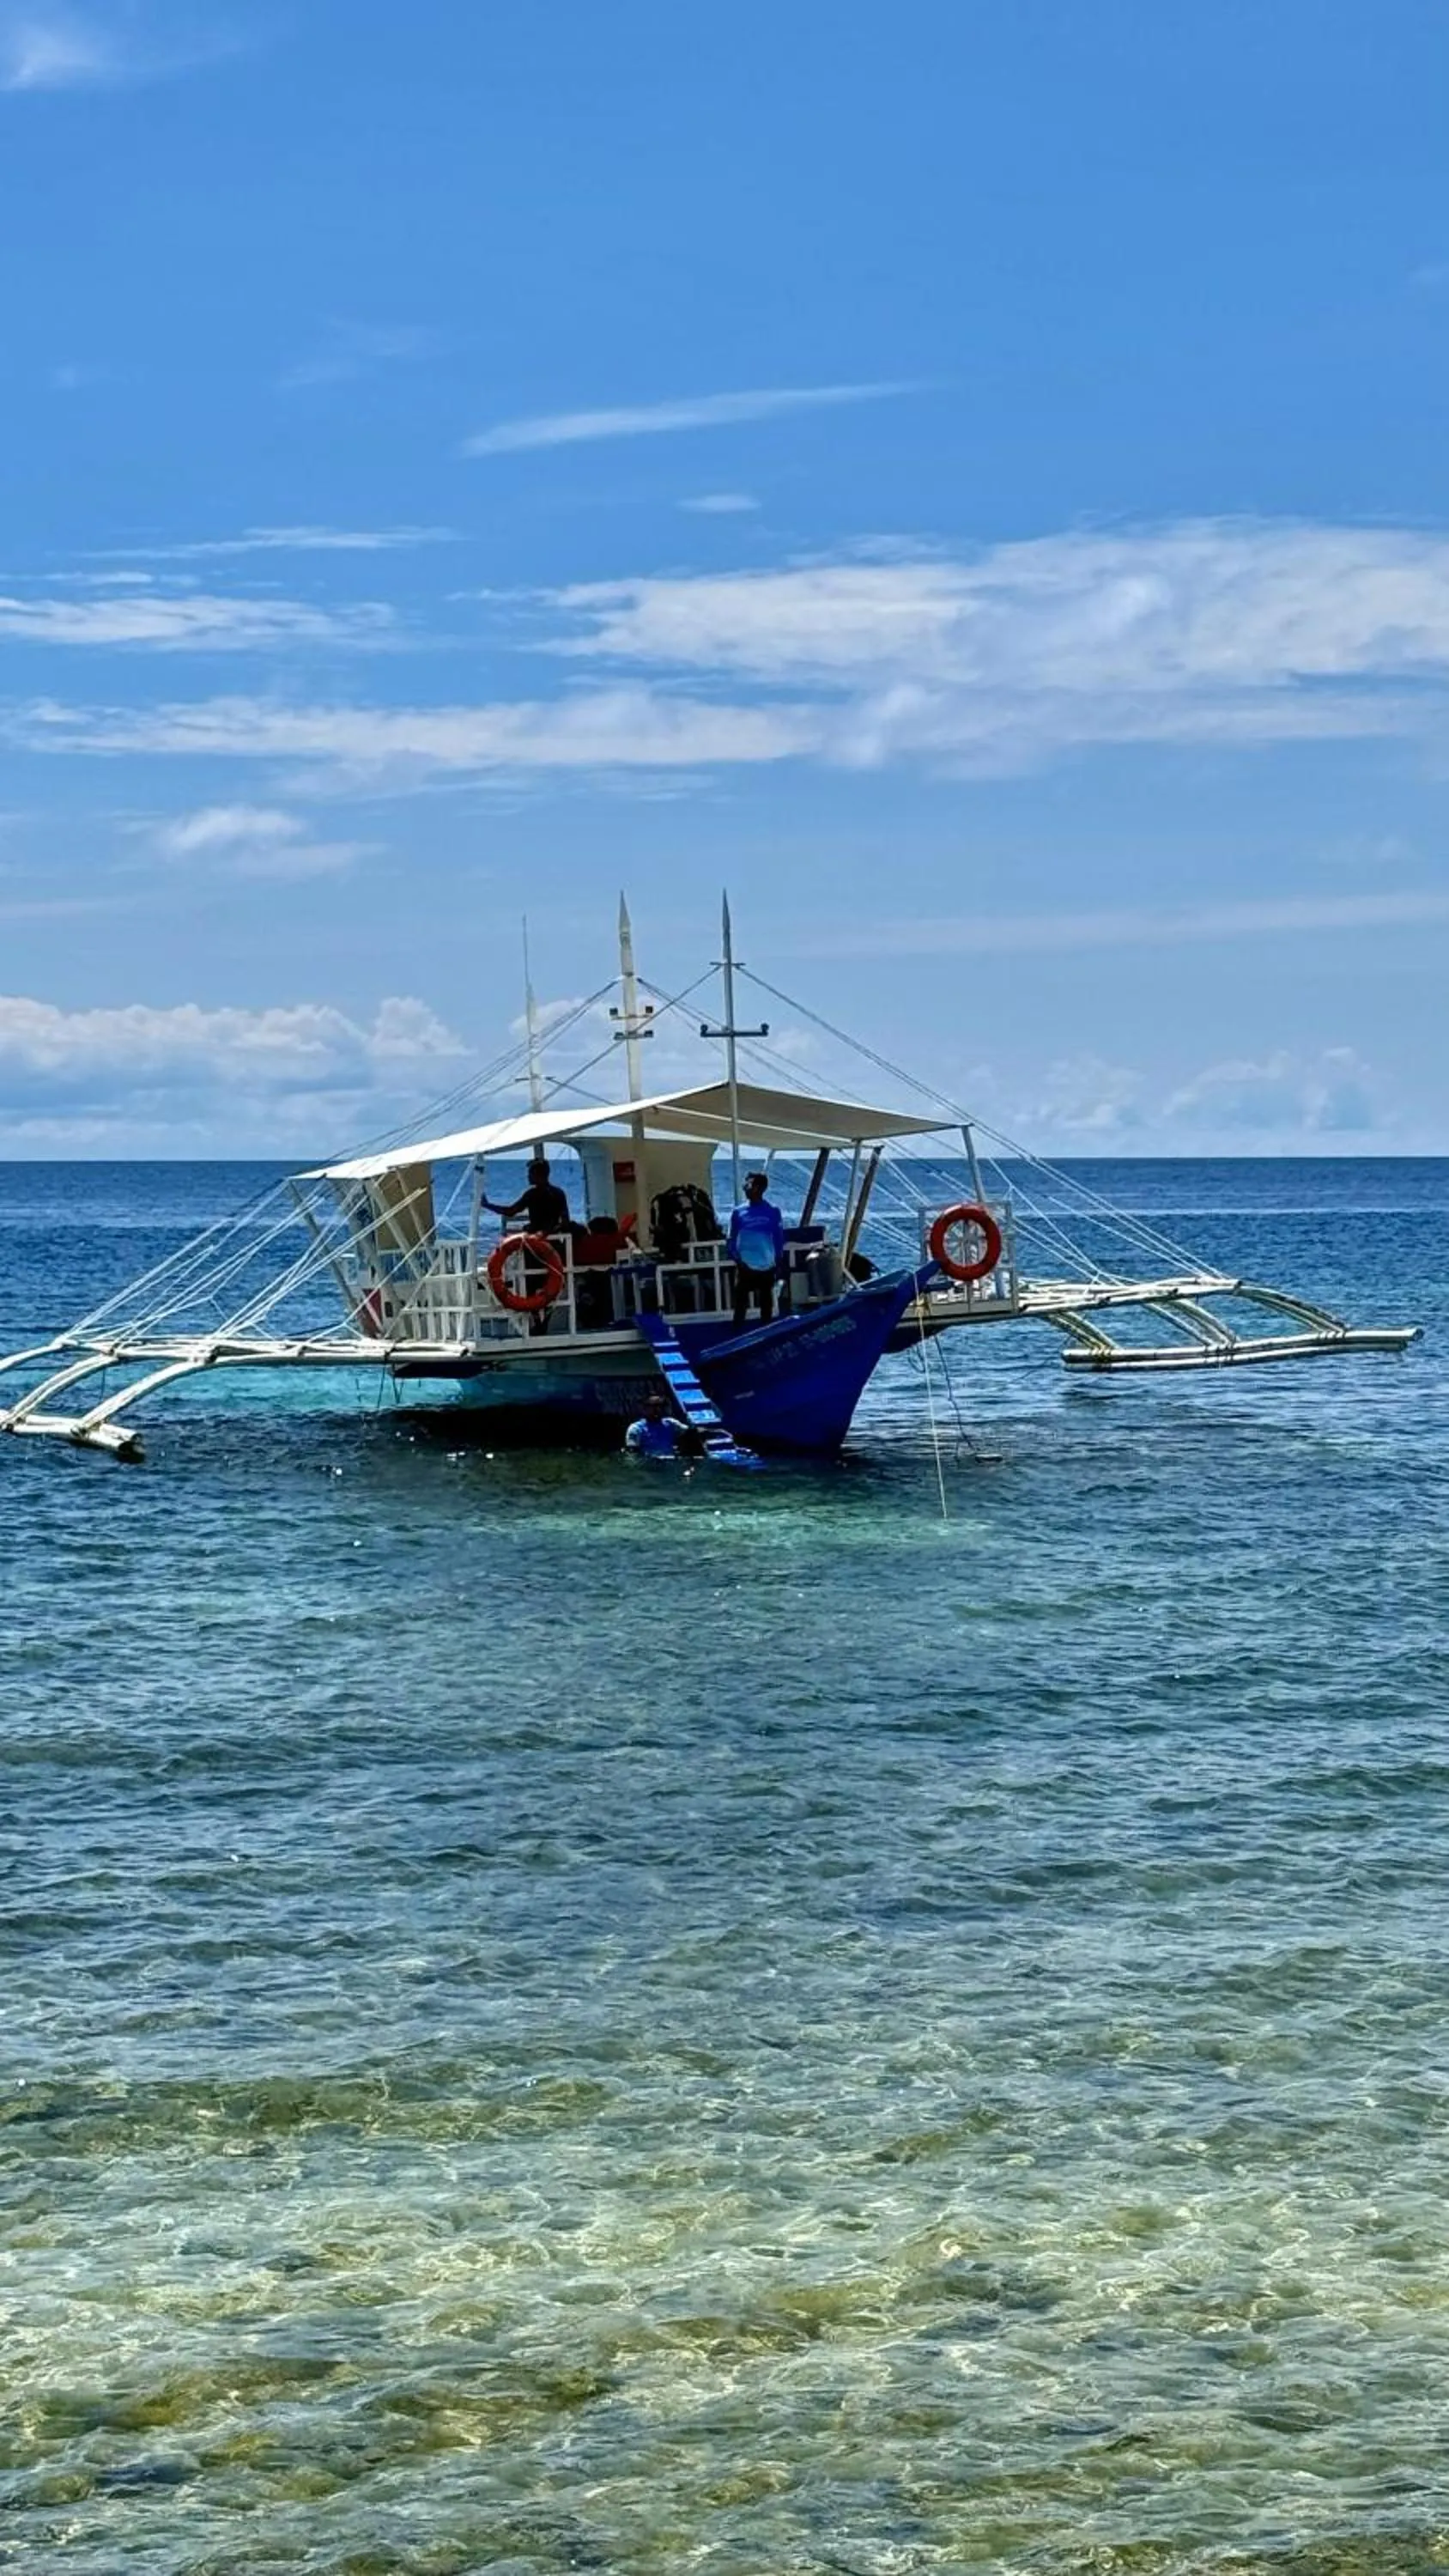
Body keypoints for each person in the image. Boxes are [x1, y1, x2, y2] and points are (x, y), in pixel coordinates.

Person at [726, 1170, 786, 1331]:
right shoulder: (738, 1212)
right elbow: (731, 1239)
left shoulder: (773, 1211)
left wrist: (777, 1261)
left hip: (767, 1266)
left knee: (766, 1304)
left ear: (760, 1188)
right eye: (745, 1184)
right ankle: (737, 1334)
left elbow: (779, 1239)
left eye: (750, 1184)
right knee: (740, 1304)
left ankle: (765, 1333)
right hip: (744, 1265)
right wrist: (737, 1260)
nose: (746, 1187)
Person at [481, 1157, 571, 1237]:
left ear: (539, 1175)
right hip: (555, 1241)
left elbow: (510, 1211)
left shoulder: (531, 1195)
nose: (528, 1176)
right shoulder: (559, 1193)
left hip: (535, 1243)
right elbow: (565, 1223)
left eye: (531, 1173)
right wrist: (547, 1232)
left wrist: (487, 1205)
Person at [624, 1391, 688, 1459]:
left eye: (660, 1406)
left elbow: (690, 1432)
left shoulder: (671, 1424)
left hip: (670, 1463)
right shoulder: (636, 1429)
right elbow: (632, 1454)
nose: (657, 1409)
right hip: (649, 1465)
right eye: (653, 1406)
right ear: (644, 1408)